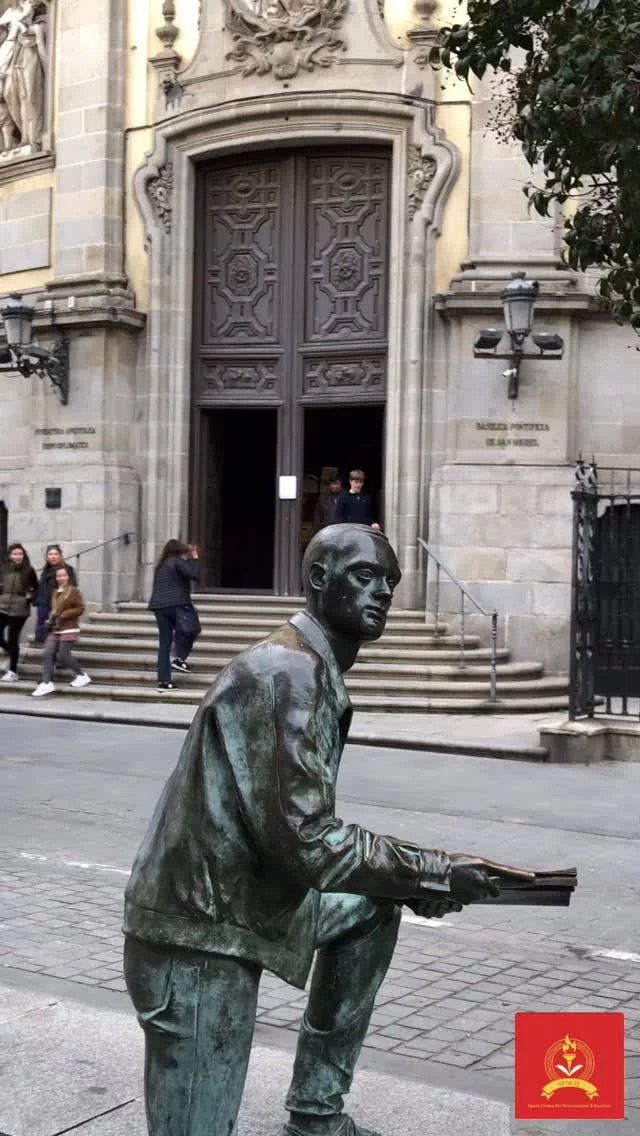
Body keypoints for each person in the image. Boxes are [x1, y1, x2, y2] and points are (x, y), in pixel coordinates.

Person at [123, 524, 508, 1136]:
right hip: (197, 930)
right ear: (319, 580)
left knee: (369, 906)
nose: (382, 591)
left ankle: (316, 1115)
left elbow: (302, 841)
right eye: (364, 577)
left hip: (243, 900)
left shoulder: (310, 666)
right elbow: (307, 843)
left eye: (389, 581)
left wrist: (407, 882)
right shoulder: (288, 671)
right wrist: (431, 870)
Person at [32, 564, 91, 697]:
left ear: (68, 577)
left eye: (64, 575)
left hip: (69, 627)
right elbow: (55, 609)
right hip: (55, 627)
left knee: (64, 654)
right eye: (59, 576)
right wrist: (51, 617)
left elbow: (80, 608)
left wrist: (65, 614)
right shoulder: (55, 591)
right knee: (48, 652)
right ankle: (47, 683)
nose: (61, 578)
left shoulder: (74, 591)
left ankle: (81, 675)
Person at [148, 540, 200, 691]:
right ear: (179, 551)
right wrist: (194, 558)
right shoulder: (177, 562)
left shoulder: (161, 565)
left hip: (160, 608)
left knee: (164, 644)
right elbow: (194, 575)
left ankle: (164, 681)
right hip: (177, 605)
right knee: (192, 629)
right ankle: (179, 659)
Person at [0, 541, 37, 683]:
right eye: (15, 554)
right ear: (10, 556)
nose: (18, 556)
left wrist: (31, 596)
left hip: (20, 609)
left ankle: (13, 671)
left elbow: (36, 587)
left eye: (20, 553)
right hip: (2, 605)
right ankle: (12, 652)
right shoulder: (3, 569)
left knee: (12, 639)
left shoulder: (29, 570)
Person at [34, 545, 77, 645]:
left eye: (56, 554)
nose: (53, 556)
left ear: (60, 555)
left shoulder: (67, 569)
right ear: (47, 556)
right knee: (43, 627)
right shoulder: (46, 569)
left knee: (57, 629)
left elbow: (71, 587)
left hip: (58, 604)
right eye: (50, 554)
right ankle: (44, 647)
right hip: (44, 603)